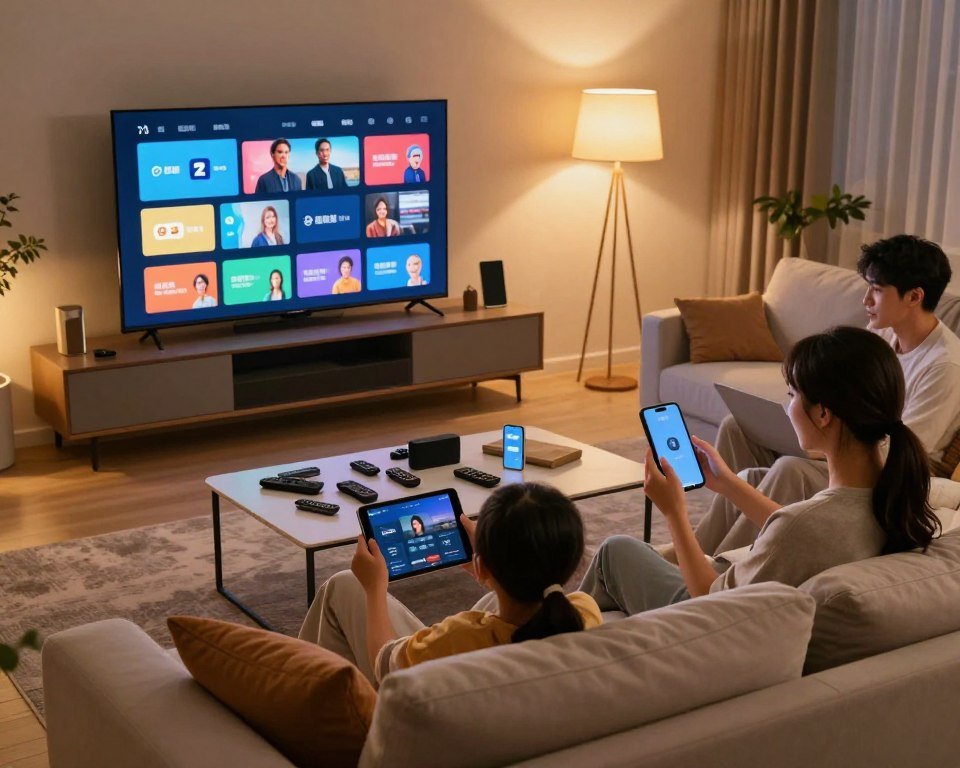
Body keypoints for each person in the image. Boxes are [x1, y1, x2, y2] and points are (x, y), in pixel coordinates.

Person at [581, 326, 940, 616]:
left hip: (707, 625)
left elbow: (707, 596)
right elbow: (804, 532)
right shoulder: (899, 499)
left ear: (823, 414)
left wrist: (674, 511)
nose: (788, 406)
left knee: (616, 550)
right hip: (760, 614)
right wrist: (727, 483)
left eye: (792, 394)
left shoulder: (807, 524)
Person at [693, 234, 960, 558]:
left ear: (915, 296)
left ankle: (723, 565)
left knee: (789, 470)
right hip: (844, 442)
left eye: (877, 290)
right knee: (737, 428)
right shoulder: (881, 333)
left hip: (886, 471)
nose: (866, 299)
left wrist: (829, 443)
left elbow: (907, 449)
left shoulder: (945, 365)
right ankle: (695, 551)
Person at [299, 482, 602, 685]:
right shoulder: (583, 612)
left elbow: (384, 664)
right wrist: (490, 570)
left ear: (482, 564)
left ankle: (301, 691)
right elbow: (527, 593)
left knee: (343, 584)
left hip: (406, 715)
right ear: (575, 561)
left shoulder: (459, 638)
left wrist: (374, 589)